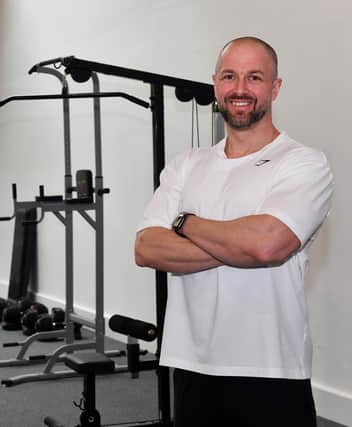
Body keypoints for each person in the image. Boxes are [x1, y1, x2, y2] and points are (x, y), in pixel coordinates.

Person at [134, 36, 334, 427]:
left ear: (275, 87)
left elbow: (267, 245)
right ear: (215, 84)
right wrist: (240, 242)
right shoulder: (186, 164)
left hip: (271, 366)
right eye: (230, 76)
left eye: (254, 77)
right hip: (191, 362)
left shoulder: (304, 163)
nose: (240, 89)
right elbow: (146, 247)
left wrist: (184, 223)